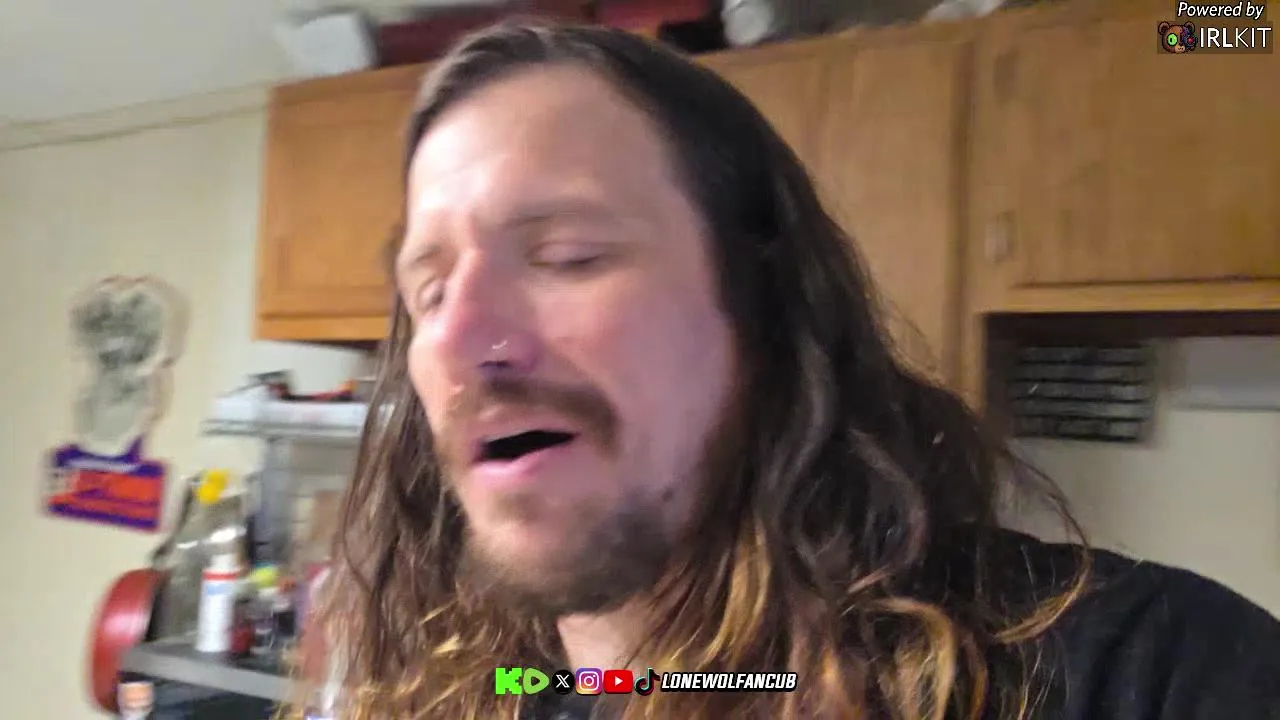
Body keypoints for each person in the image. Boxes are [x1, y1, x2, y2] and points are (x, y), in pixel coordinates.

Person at [307, 20, 1280, 720]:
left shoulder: (1155, 672)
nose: (459, 337)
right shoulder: (514, 687)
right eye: (427, 291)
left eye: (567, 255)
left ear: (762, 303)